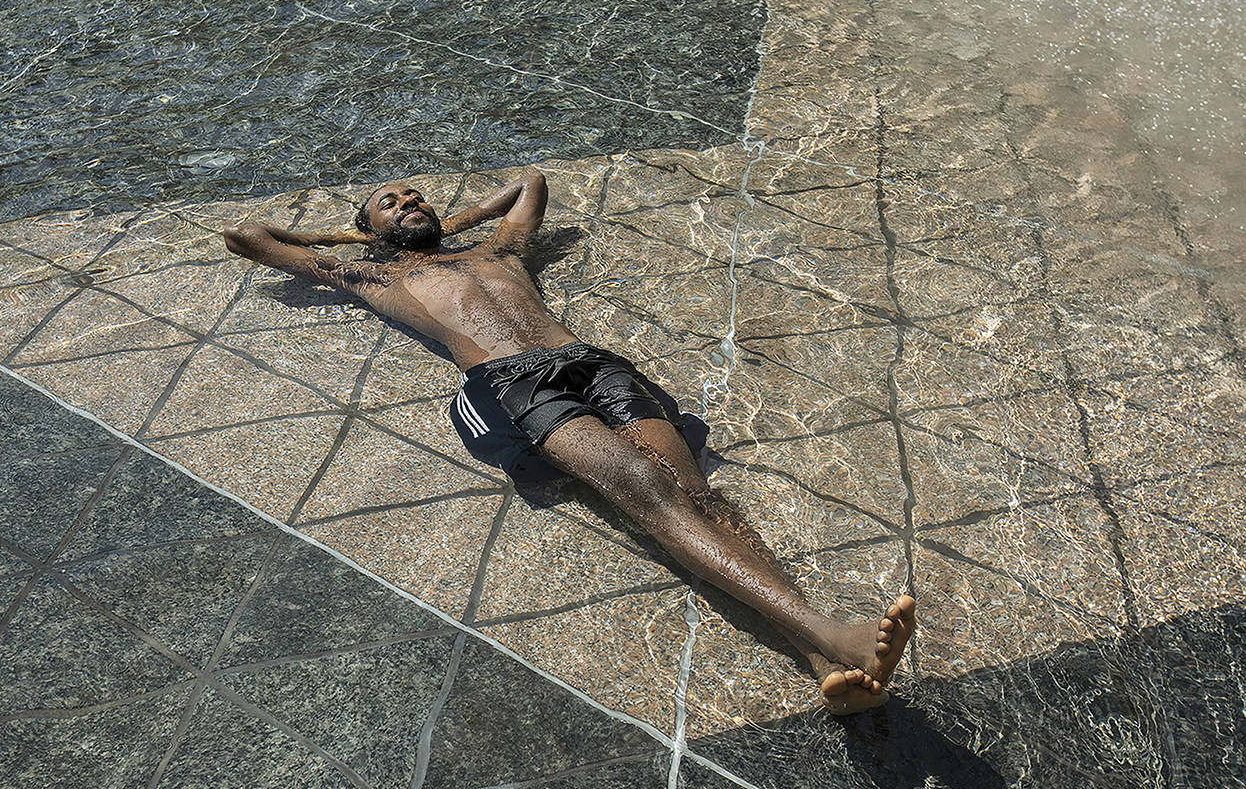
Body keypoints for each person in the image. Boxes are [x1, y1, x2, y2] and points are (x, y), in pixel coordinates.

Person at [222, 170, 916, 714]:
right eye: (390, 201)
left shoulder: (499, 247)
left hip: (591, 360)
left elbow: (531, 183)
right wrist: (359, 237)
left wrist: (446, 221)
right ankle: (823, 631)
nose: (409, 202)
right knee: (648, 494)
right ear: (366, 229)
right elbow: (249, 235)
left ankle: (826, 661)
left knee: (695, 492)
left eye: (416, 196)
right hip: (513, 383)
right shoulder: (370, 272)